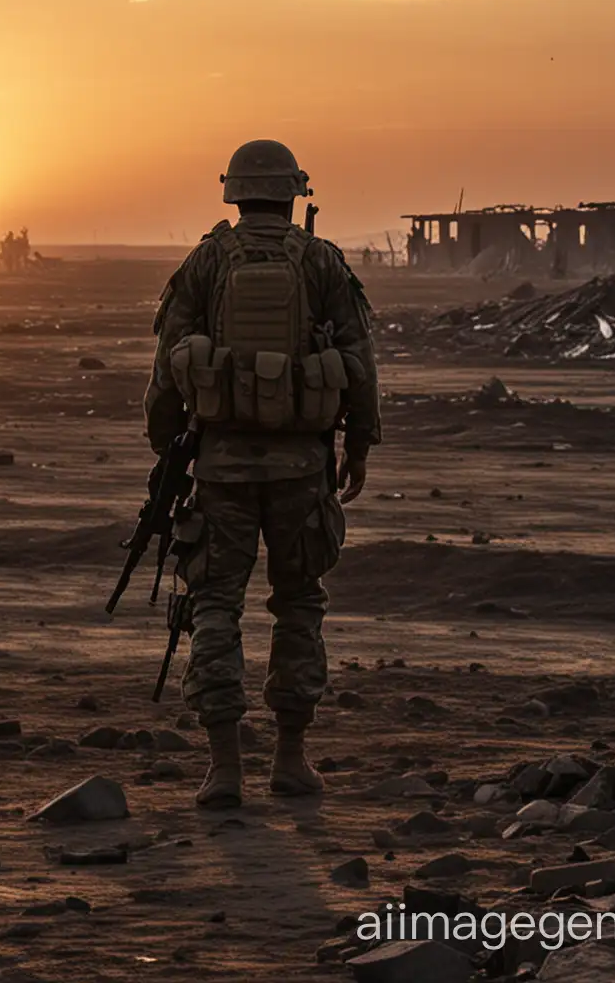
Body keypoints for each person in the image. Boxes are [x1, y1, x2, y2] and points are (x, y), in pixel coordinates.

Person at [144, 140, 380, 808]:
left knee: (214, 605)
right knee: (299, 604)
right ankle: (291, 758)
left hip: (220, 463)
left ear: (234, 193)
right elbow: (360, 363)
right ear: (294, 192)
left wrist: (167, 447)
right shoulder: (322, 261)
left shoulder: (208, 260)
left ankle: (223, 769)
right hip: (303, 466)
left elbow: (167, 367)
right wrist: (357, 446)